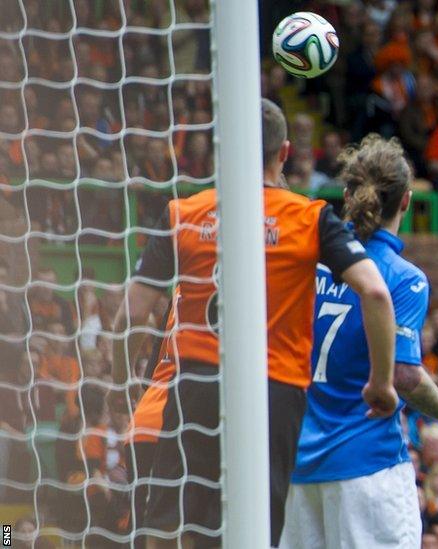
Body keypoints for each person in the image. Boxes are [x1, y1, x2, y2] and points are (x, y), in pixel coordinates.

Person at [111, 99, 399, 548]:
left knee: (171, 524)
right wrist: (381, 383)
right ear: (284, 152)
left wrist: (121, 379)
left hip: (196, 386)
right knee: (255, 531)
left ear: (223, 148)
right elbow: (377, 293)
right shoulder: (309, 216)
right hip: (274, 390)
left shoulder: (183, 213)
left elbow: (131, 313)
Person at [280, 135, 438, 549]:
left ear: (349, 194)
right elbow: (405, 376)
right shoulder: (402, 277)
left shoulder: (309, 261)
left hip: (297, 469)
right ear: (406, 201)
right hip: (366, 463)